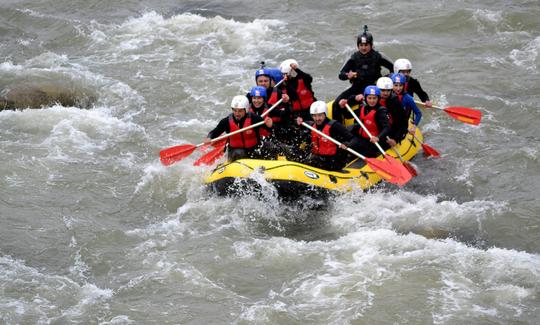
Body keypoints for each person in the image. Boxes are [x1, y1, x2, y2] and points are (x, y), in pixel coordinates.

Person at [332, 25, 394, 123]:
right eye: (361, 45)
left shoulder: (378, 56)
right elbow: (341, 75)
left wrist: (388, 81)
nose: (363, 47)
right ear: (358, 46)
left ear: (371, 45)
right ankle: (338, 130)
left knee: (369, 107)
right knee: (336, 104)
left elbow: (393, 68)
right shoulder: (353, 58)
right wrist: (348, 75)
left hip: (374, 88)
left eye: (366, 45)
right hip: (357, 88)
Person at [204, 95, 273, 161]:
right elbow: (215, 132)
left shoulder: (254, 118)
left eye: (240, 111)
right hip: (235, 152)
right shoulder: (226, 121)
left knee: (269, 145)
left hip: (254, 149)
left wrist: (270, 126)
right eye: (235, 110)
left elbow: (269, 130)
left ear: (245, 110)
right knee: (239, 153)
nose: (237, 113)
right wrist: (209, 137)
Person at [295, 101, 354, 171]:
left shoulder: (335, 126)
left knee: (312, 159)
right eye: (314, 116)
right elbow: (297, 124)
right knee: (297, 154)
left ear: (325, 114)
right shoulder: (310, 125)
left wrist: (346, 144)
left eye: (320, 115)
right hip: (318, 156)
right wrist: (297, 121)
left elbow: (351, 139)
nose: (317, 119)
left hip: (333, 161)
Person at [348, 86, 391, 158]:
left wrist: (378, 138)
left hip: (373, 141)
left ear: (378, 98)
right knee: (349, 147)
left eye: (374, 98)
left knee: (365, 153)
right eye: (369, 98)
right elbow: (347, 115)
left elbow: (387, 128)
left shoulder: (381, 111)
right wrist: (347, 102)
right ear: (365, 98)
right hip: (362, 137)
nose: (372, 101)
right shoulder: (363, 107)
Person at [376, 77, 409, 148]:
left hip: (391, 131)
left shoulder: (395, 102)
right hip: (378, 130)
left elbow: (403, 123)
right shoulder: (373, 99)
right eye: (383, 90)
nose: (385, 93)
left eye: (388, 90)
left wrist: (396, 139)